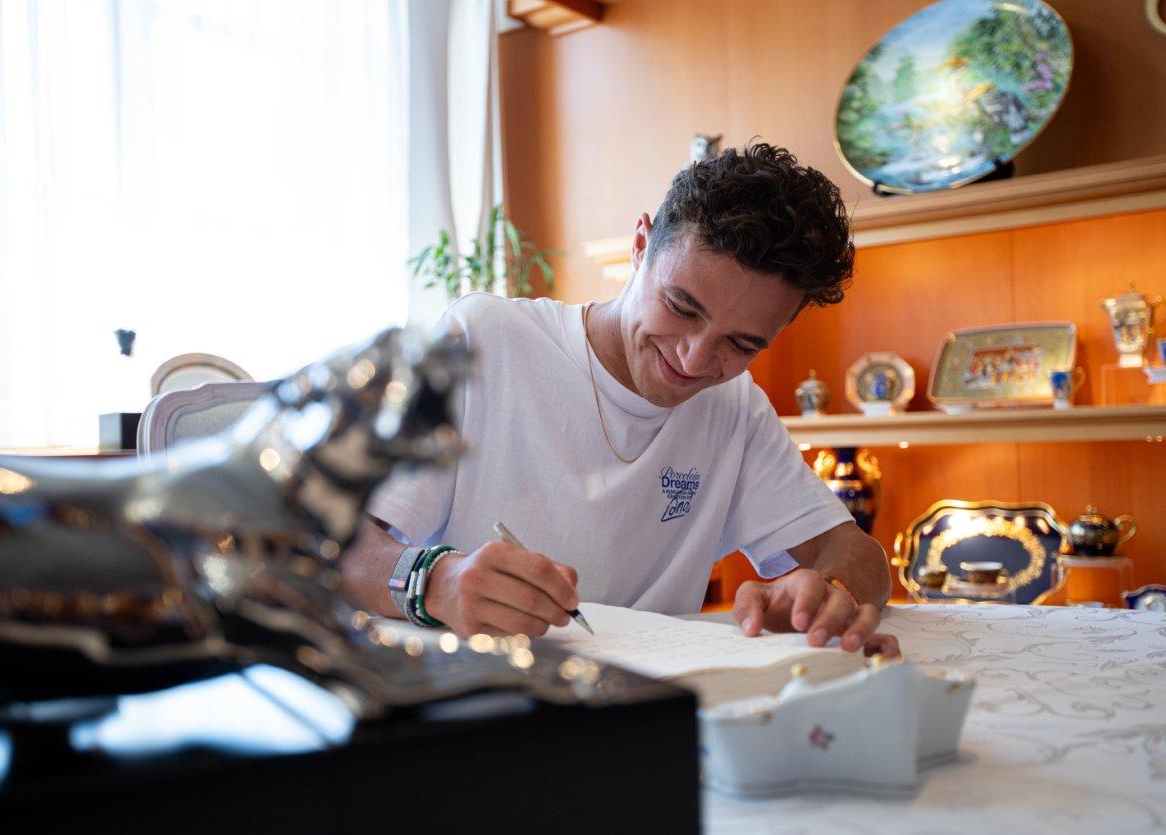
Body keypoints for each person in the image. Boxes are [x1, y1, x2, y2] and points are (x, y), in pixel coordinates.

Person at [342, 143, 896, 655]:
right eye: (680, 307)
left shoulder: (733, 406)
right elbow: (339, 549)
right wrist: (436, 583)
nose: (694, 360)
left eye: (742, 344)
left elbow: (857, 553)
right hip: (486, 691)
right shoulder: (484, 340)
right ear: (640, 246)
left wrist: (828, 593)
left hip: (648, 702)